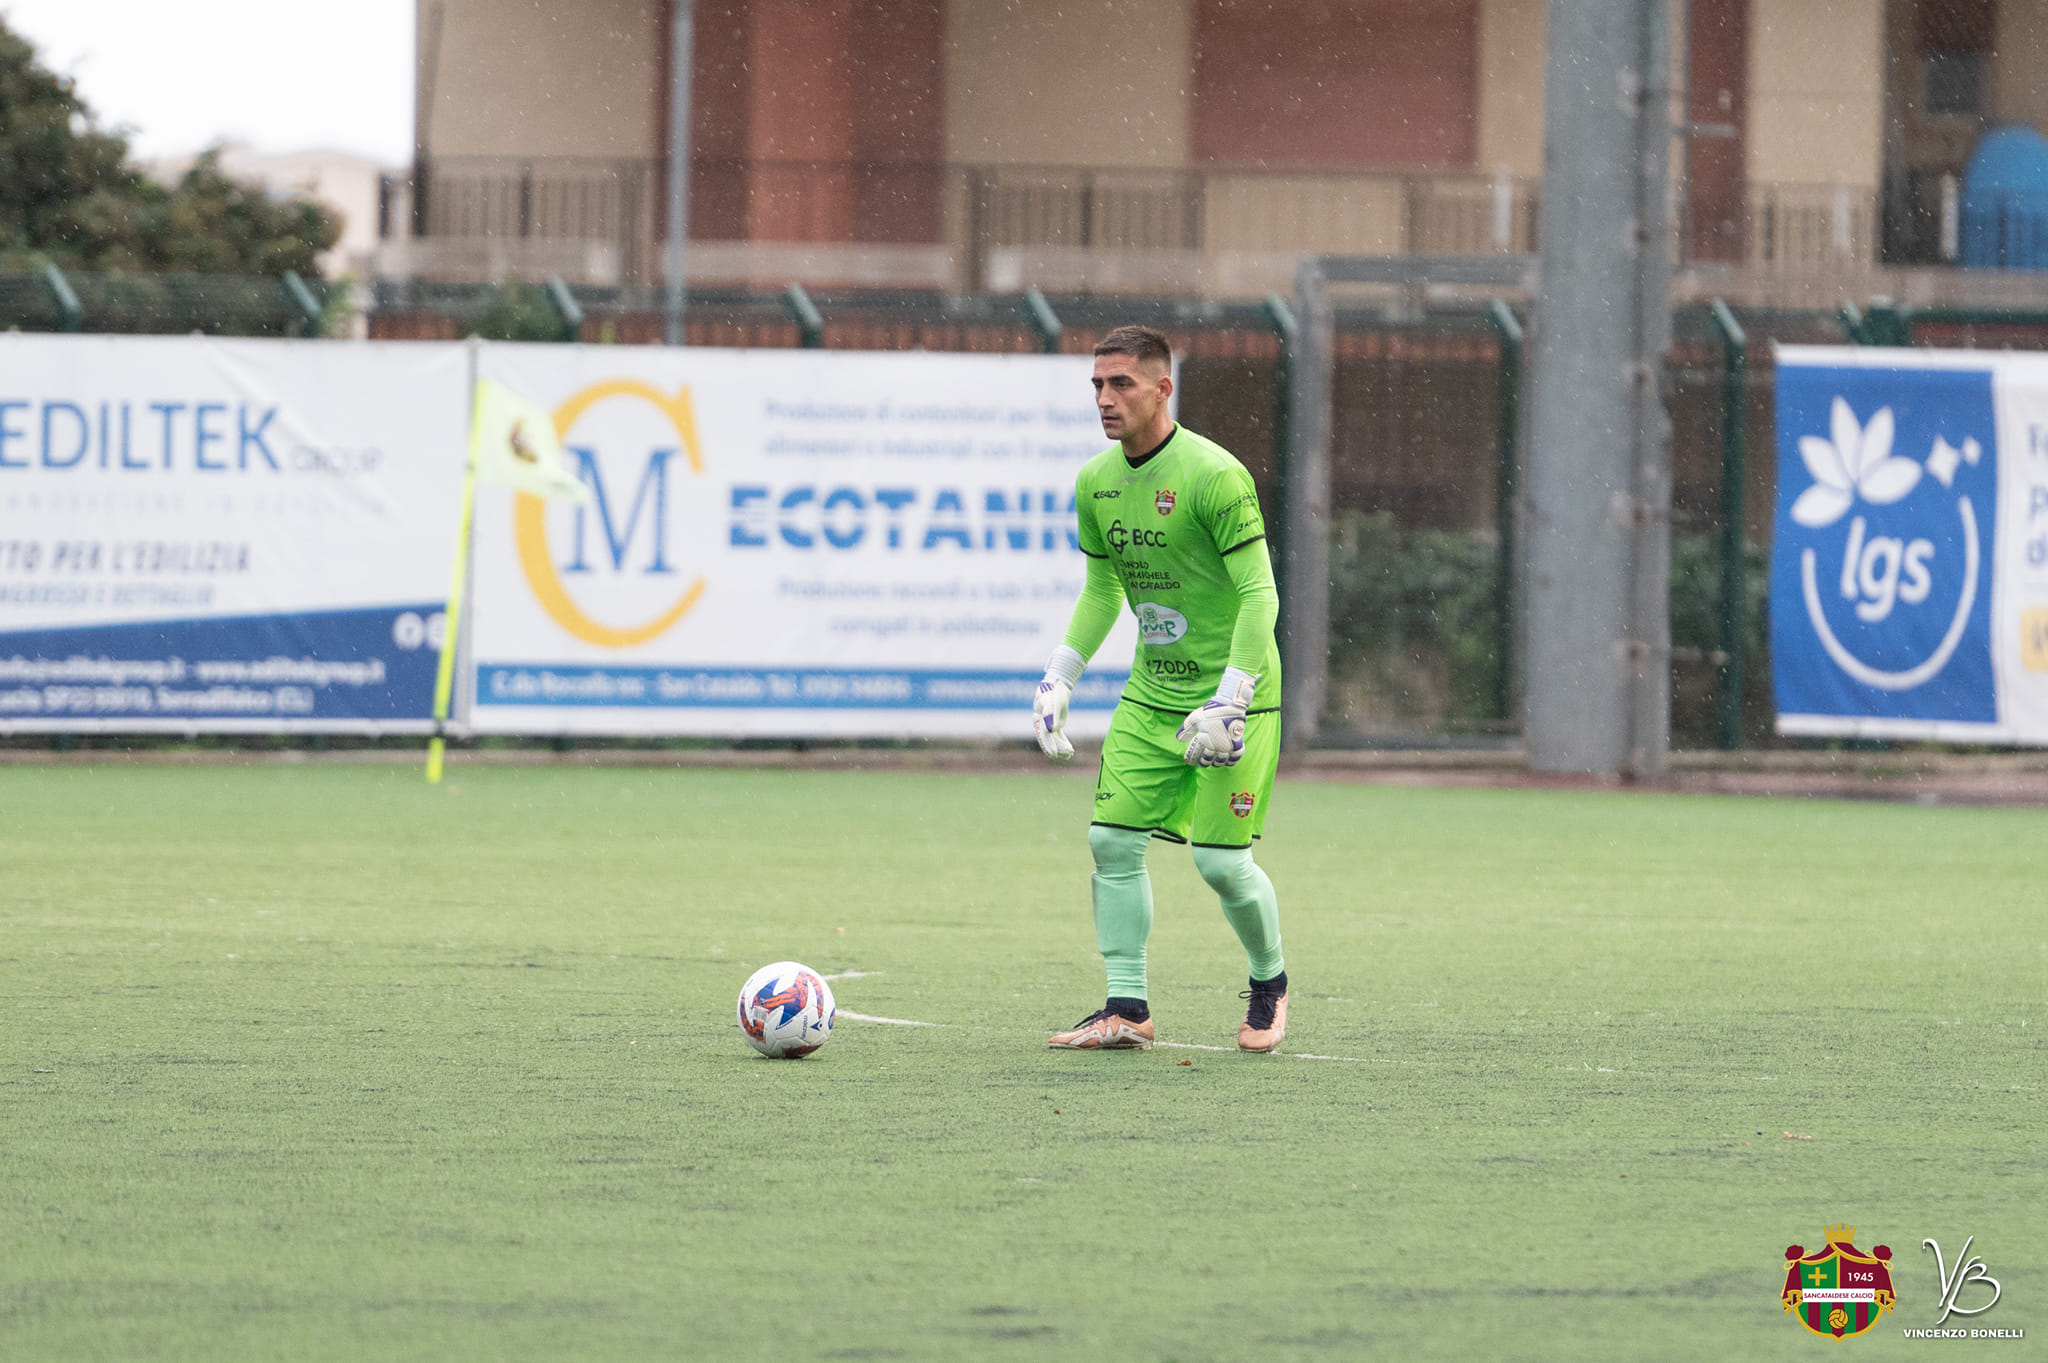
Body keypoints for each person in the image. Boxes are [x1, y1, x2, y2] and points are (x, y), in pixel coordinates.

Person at [1033, 324, 1288, 1053]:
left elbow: (1260, 596)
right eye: (1097, 386)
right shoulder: (1096, 482)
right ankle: (1127, 1007)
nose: (1105, 399)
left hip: (1237, 694)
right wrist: (1061, 674)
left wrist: (1231, 699)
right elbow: (1103, 590)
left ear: (1162, 387)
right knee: (1110, 840)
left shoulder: (1213, 475)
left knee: (1220, 863)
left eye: (1121, 384)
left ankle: (1269, 982)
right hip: (1153, 696)